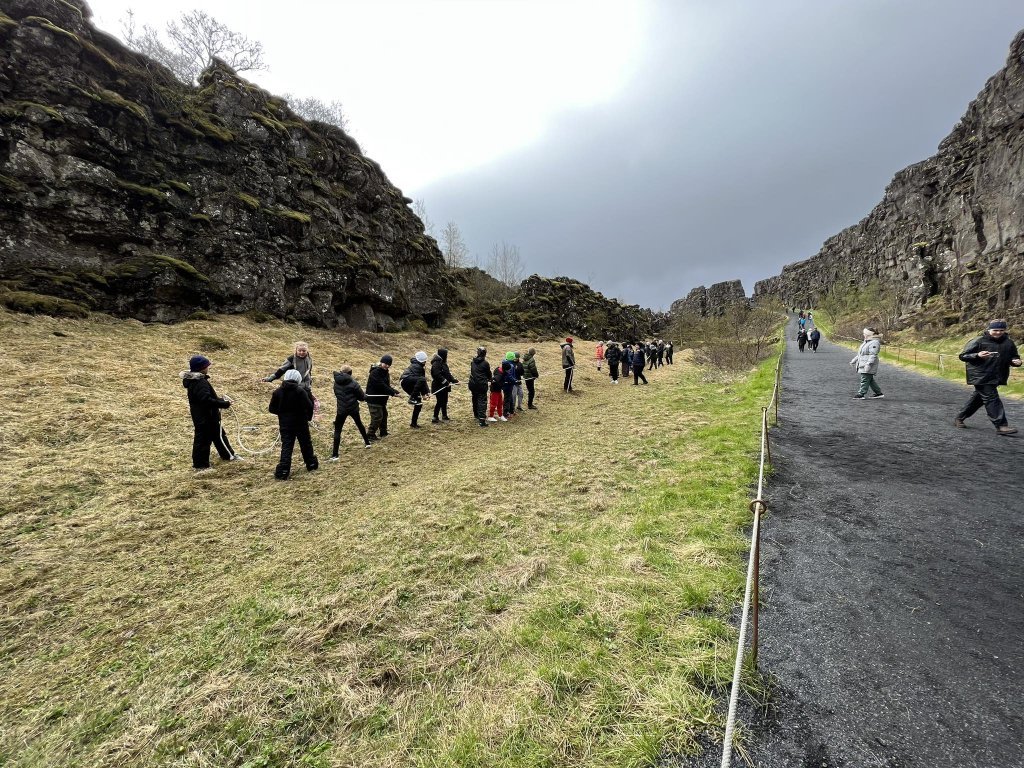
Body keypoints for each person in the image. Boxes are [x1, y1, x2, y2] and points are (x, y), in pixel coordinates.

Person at [954, 319, 1022, 434]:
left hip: (997, 376)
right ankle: (1001, 426)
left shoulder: (1009, 343)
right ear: (989, 329)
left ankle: (959, 417)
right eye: (995, 330)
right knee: (992, 398)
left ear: (1005, 330)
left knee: (978, 399)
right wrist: (977, 355)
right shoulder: (978, 341)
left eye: (1001, 330)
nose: (998, 332)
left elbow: (1013, 357)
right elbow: (963, 356)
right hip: (980, 375)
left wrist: (1017, 362)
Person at [181, 354, 238, 472]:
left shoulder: (196, 380)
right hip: (205, 418)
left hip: (205, 416)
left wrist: (222, 401)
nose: (208, 368)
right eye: (207, 366)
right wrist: (224, 404)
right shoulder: (200, 382)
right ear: (201, 368)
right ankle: (200, 466)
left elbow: (206, 399)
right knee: (203, 441)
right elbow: (206, 401)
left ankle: (228, 456)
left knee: (219, 436)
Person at [269, 369, 318, 480]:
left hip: (285, 424)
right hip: (301, 423)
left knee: (287, 446)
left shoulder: (277, 392)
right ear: (298, 379)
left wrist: (282, 413)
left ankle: (284, 470)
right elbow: (310, 406)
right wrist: (308, 418)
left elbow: (271, 409)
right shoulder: (301, 391)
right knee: (306, 444)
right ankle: (311, 464)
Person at [330, 365, 371, 459]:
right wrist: (365, 396)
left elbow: (337, 394)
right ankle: (367, 443)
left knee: (338, 430)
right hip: (353, 409)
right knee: (359, 424)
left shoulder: (336, 383)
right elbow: (361, 398)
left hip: (341, 410)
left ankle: (335, 455)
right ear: (350, 373)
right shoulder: (354, 383)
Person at [365, 355, 399, 440]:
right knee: (377, 417)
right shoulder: (375, 372)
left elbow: (386, 385)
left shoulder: (385, 372)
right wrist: (392, 393)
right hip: (374, 399)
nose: (387, 366)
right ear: (381, 362)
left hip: (381, 400)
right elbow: (381, 385)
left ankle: (383, 432)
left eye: (389, 364)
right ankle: (370, 435)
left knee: (384, 415)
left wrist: (394, 391)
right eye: (385, 363)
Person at [850, 327, 884, 399]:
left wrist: (868, 364)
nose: (863, 335)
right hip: (863, 363)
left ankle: (861, 394)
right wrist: (854, 360)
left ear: (868, 334)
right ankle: (878, 393)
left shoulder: (874, 342)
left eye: (864, 333)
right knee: (870, 380)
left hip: (868, 364)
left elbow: (873, 355)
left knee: (865, 379)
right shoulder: (866, 342)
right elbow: (861, 354)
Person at [400, 351, 431, 428]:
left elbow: (421, 382)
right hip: (406, 381)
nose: (425, 362)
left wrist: (427, 393)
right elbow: (422, 380)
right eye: (425, 360)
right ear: (422, 361)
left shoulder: (419, 365)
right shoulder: (417, 366)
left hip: (411, 383)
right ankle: (412, 398)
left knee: (418, 404)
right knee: (422, 380)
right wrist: (425, 393)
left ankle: (413, 423)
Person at [430, 348, 459, 423]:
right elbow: (437, 375)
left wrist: (454, 380)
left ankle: (444, 416)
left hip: (445, 387)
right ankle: (435, 417)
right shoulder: (436, 363)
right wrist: (445, 382)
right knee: (439, 401)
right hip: (438, 386)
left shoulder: (443, 363)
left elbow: (448, 374)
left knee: (445, 401)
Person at [468, 346, 491, 427]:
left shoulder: (473, 362)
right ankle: (482, 420)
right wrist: (490, 379)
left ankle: (476, 415)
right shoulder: (485, 363)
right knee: (482, 401)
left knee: (475, 398)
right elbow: (488, 374)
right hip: (481, 385)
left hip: (473, 384)